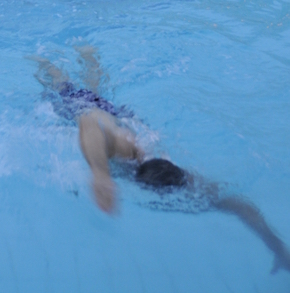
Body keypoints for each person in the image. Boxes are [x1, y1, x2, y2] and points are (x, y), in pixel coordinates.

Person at [33, 49, 290, 273]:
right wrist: (100, 174)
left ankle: (86, 52)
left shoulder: (181, 176)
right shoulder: (130, 155)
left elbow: (242, 207)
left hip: (115, 115)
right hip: (86, 112)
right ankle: (42, 56)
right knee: (60, 82)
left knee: (93, 89)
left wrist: (278, 248)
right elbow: (89, 121)